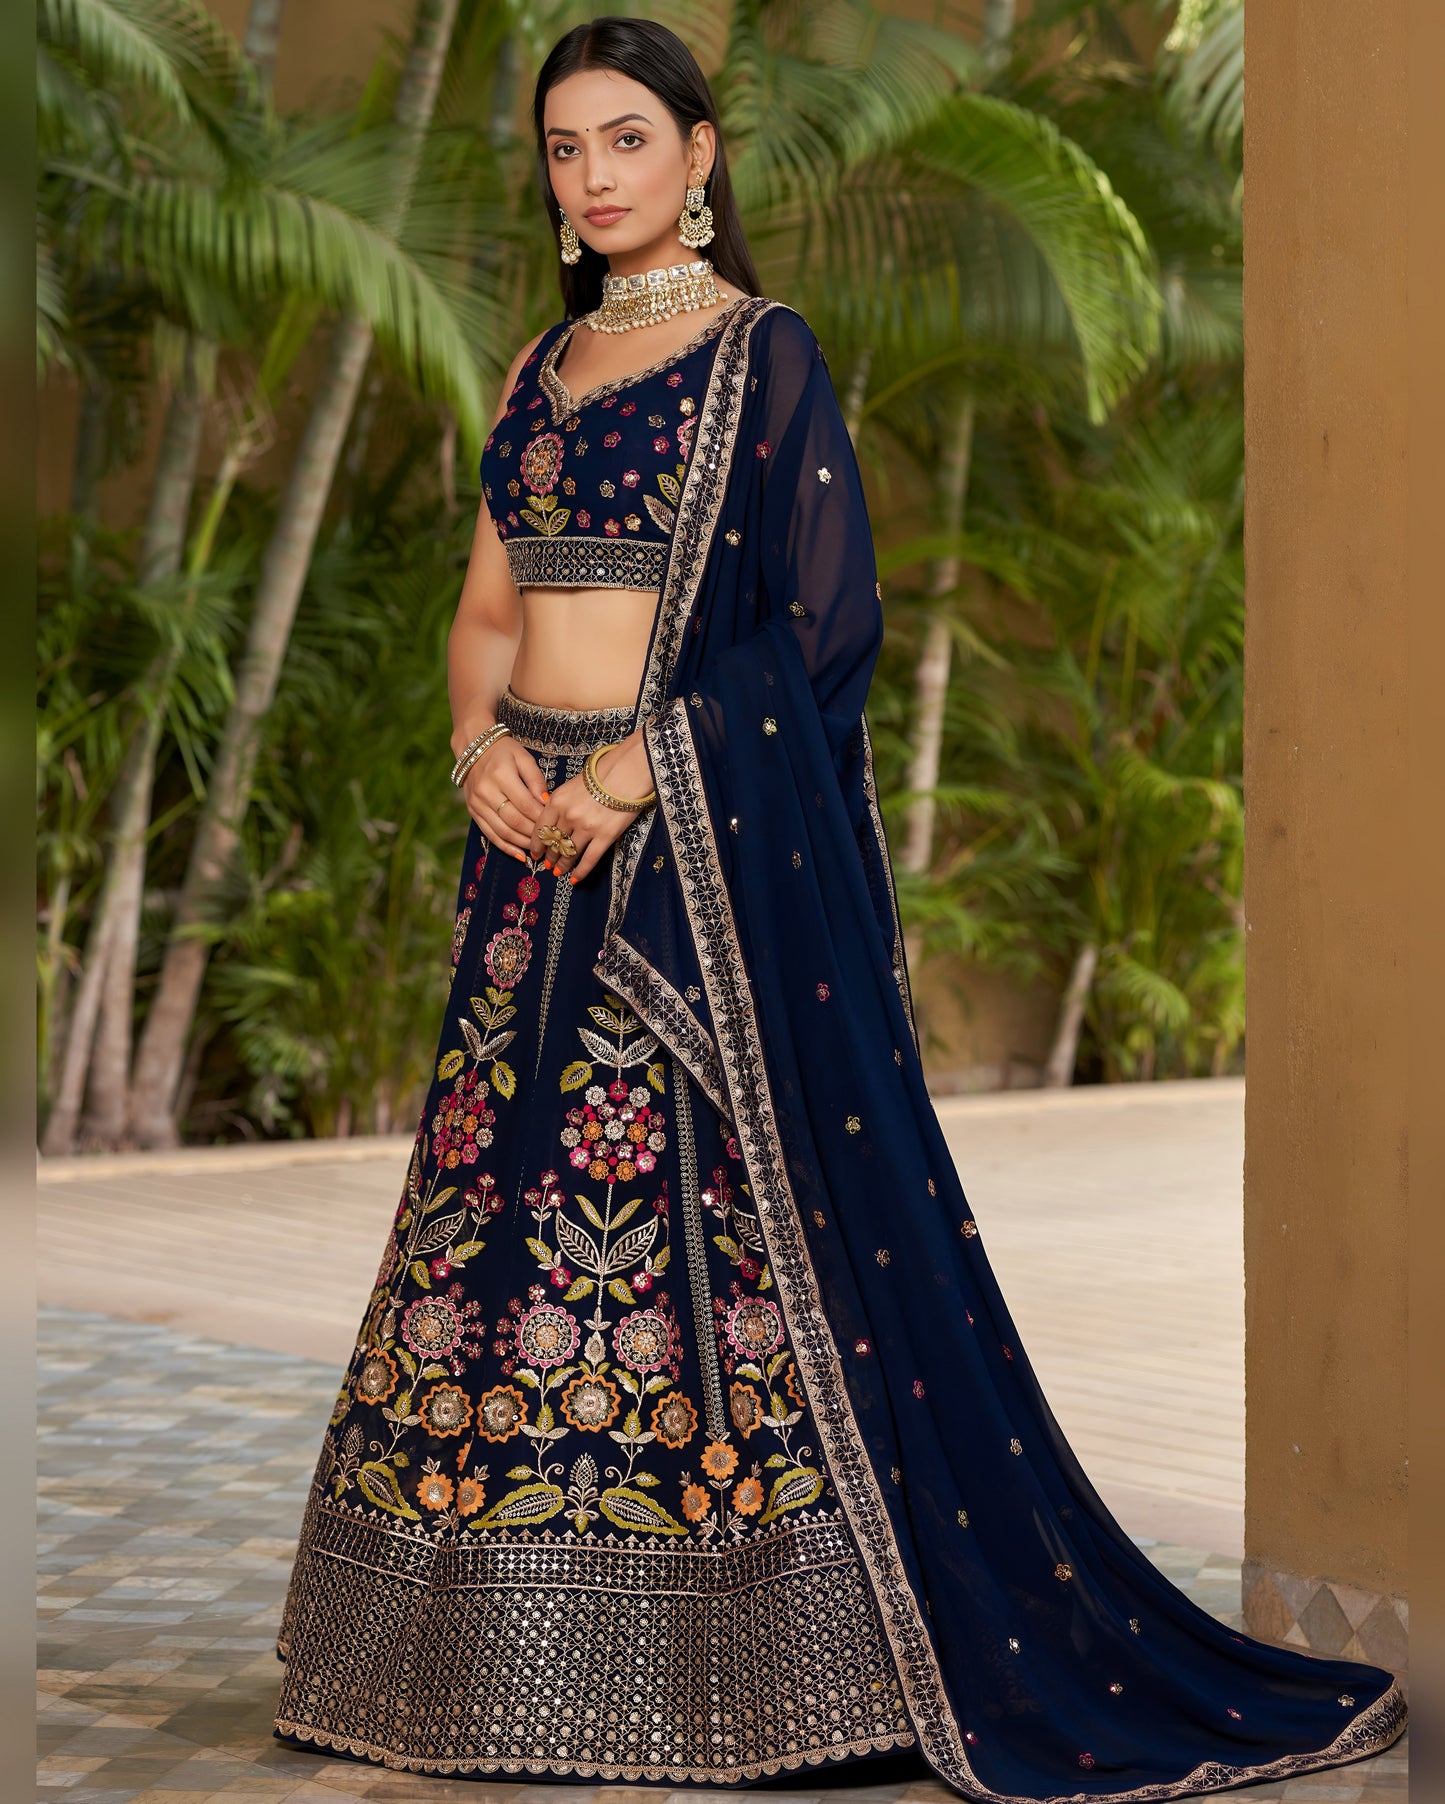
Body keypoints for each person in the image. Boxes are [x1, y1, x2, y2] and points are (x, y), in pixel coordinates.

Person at [273, 17, 1406, 1798]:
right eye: (564, 149)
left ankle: (766, 1665)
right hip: (527, 842)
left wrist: (644, 769)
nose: (591, 178)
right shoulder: (534, 370)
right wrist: (474, 747)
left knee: (694, 1244)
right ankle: (481, 1655)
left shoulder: (762, 359)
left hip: (671, 846)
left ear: (701, 156)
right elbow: (486, 606)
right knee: (493, 1240)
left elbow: (822, 634)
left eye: (626, 141)